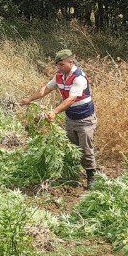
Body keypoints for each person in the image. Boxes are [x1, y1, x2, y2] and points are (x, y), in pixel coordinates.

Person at [19, 48, 98, 189]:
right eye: (57, 65)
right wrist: (29, 99)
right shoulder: (59, 76)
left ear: (70, 62)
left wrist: (55, 112)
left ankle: (92, 176)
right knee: (72, 147)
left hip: (85, 119)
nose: (59, 68)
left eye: (62, 65)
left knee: (86, 149)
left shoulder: (79, 78)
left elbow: (71, 99)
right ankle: (75, 173)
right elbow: (46, 89)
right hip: (70, 118)